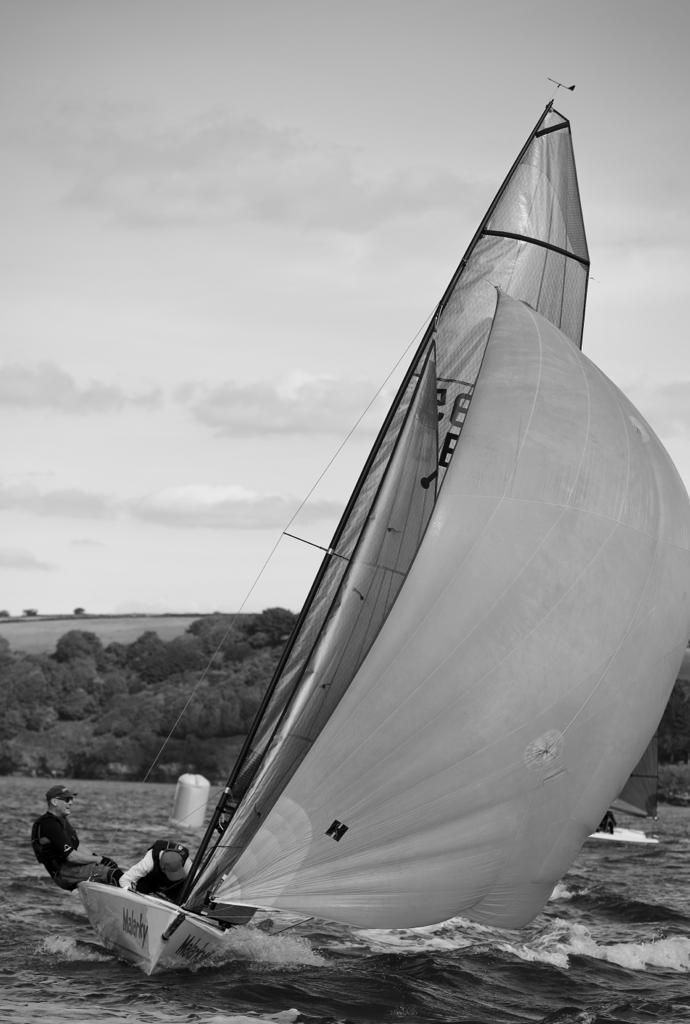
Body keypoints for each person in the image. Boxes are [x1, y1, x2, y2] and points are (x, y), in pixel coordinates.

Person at [31, 785, 122, 890]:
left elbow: (77, 845)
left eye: (71, 799)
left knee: (111, 867)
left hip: (71, 869)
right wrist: (99, 860)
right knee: (112, 874)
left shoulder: (61, 820)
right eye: (67, 799)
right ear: (54, 802)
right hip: (64, 873)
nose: (71, 802)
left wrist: (100, 859)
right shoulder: (49, 824)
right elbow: (72, 857)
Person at [118, 839, 190, 903]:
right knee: (141, 886)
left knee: (185, 895)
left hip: (174, 886)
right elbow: (124, 880)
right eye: (172, 873)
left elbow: (197, 885)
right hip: (150, 883)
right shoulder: (148, 863)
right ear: (162, 868)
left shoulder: (186, 862)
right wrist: (132, 896)